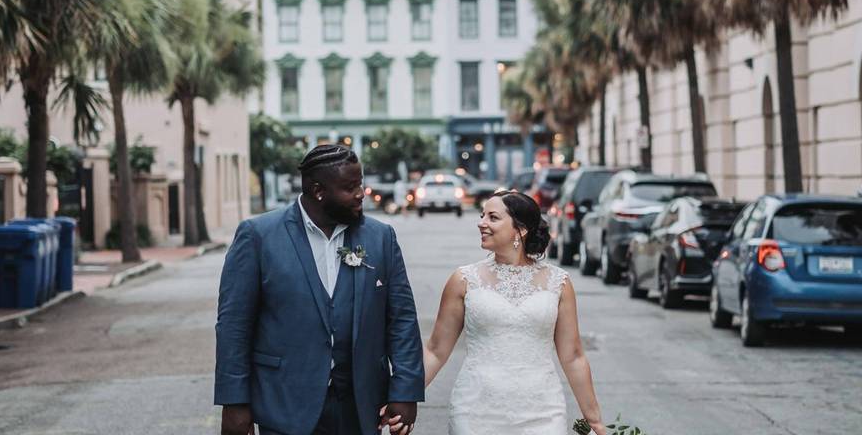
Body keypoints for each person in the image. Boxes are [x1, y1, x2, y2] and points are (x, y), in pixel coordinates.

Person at [215, 144, 425, 435]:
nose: (360, 193)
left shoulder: (380, 238)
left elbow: (401, 320)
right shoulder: (259, 236)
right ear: (318, 190)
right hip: (284, 404)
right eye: (350, 187)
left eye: (360, 184)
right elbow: (234, 325)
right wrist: (234, 402)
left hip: (360, 405)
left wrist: (405, 390)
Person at [422, 190, 606, 435]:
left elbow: (572, 356)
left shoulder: (558, 282)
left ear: (520, 230)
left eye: (493, 217)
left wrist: (593, 420)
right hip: (476, 410)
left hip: (543, 411)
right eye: (482, 215)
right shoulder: (464, 279)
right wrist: (400, 397)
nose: (481, 223)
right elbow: (436, 350)